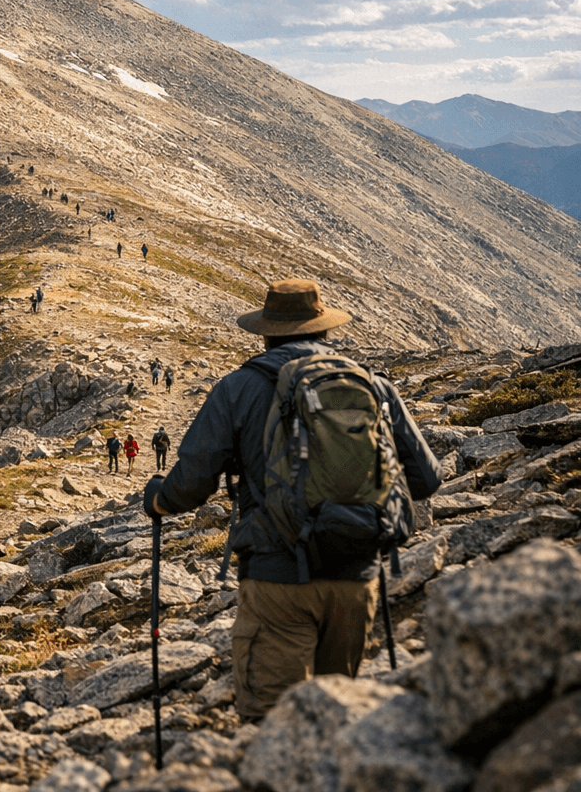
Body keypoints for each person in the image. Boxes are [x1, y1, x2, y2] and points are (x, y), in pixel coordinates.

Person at [141, 279, 440, 721]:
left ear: (265, 333)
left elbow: (193, 481)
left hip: (276, 577)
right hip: (355, 577)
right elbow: (426, 478)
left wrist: (159, 502)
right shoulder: (369, 384)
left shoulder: (238, 387)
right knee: (338, 718)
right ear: (324, 329)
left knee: (274, 722)